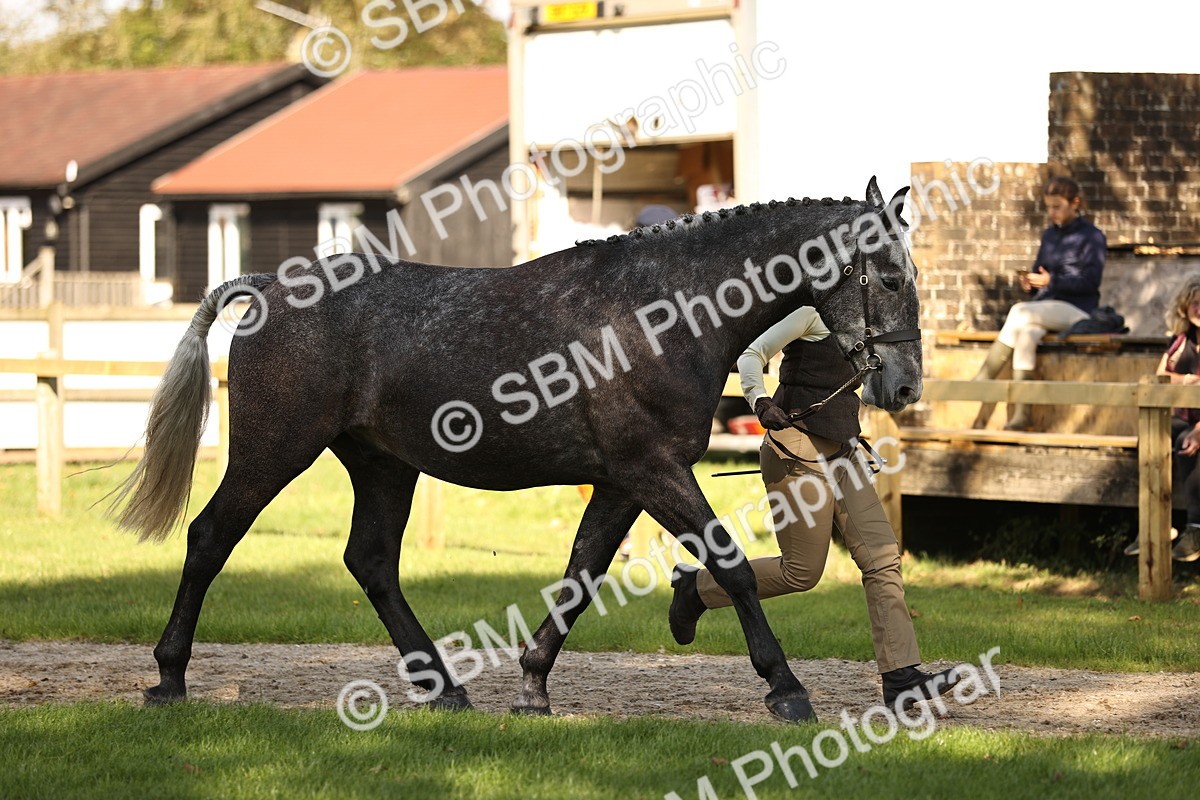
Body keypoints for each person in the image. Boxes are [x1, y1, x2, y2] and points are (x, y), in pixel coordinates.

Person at [667, 305, 961, 708]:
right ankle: (697, 588)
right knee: (802, 572)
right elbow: (751, 354)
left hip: (845, 452)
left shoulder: (873, 319)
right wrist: (759, 401)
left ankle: (901, 678)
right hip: (797, 449)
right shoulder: (812, 312)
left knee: (882, 557)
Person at [972, 176, 1107, 431]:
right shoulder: (1049, 235)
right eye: (1048, 206)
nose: (1051, 212)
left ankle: (983, 378)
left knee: (1019, 312)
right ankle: (1022, 416)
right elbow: (1040, 271)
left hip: (1079, 310)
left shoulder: (1093, 236)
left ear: (1074, 203)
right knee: (1026, 336)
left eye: (1057, 206)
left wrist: (1050, 281)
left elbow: (1091, 282)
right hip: (1046, 307)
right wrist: (1032, 282)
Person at [1124, 277, 1200, 562]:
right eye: (1195, 303)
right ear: (1185, 307)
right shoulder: (1181, 341)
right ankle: (1153, 526)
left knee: (1187, 443)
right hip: (1182, 416)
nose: (1199, 309)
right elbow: (1160, 376)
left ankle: (1195, 528)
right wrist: (1187, 380)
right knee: (1150, 436)